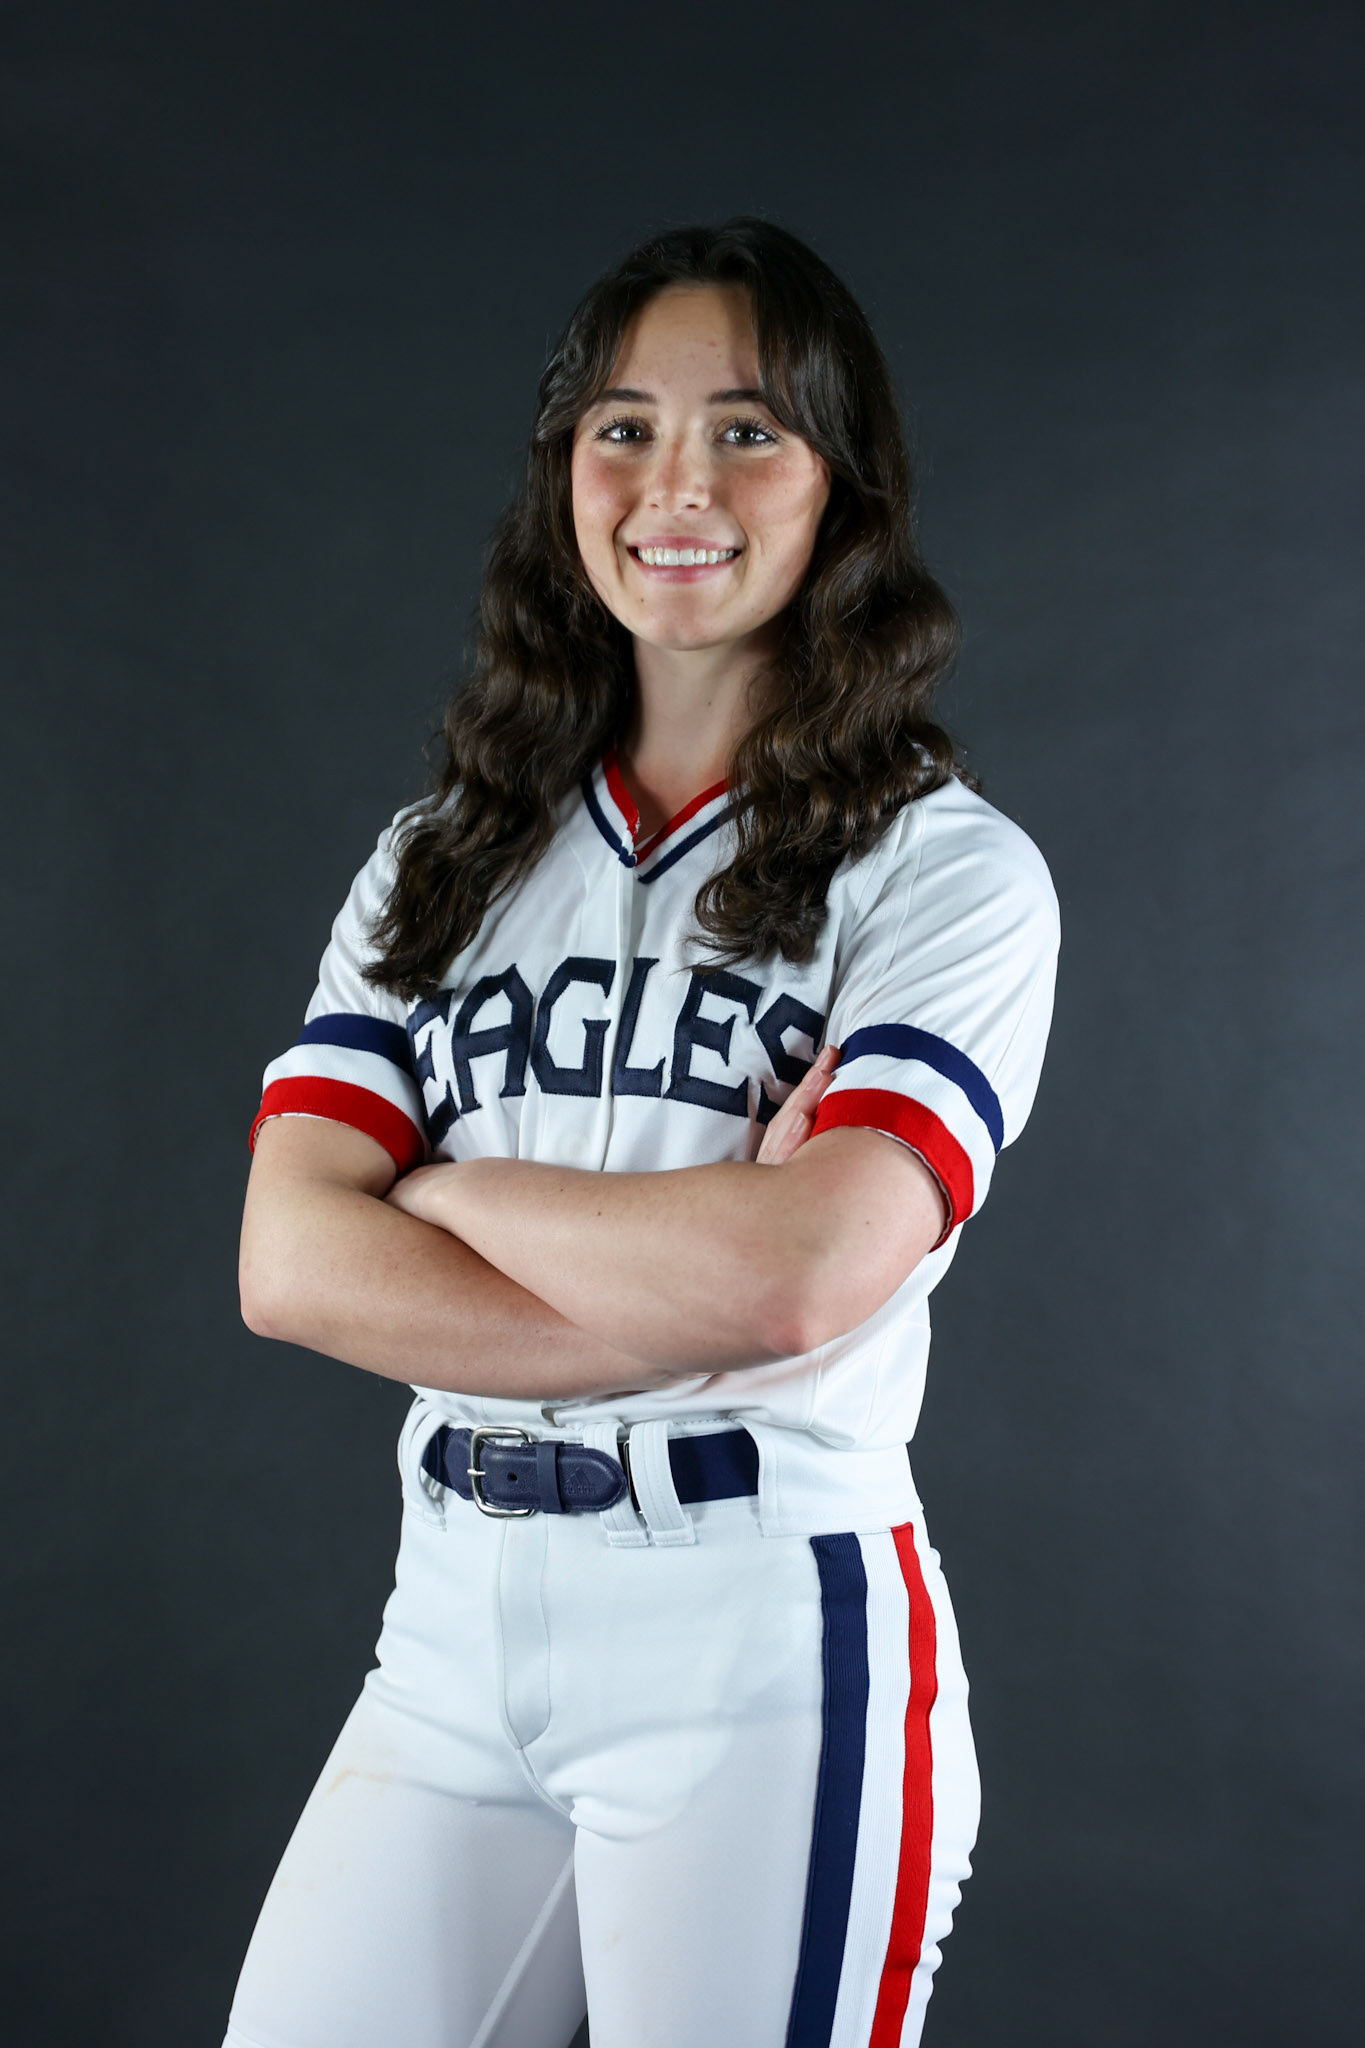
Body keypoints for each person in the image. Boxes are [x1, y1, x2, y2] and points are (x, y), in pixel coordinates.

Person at [224, 217, 1060, 2048]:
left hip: (758, 1637)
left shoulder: (942, 871)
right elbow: (287, 1264)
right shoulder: (439, 859)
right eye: (623, 428)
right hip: (448, 1623)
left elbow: (796, 1281)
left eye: (747, 429)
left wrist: (439, 1185)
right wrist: (686, 1278)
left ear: (843, 485)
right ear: (563, 475)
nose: (676, 482)